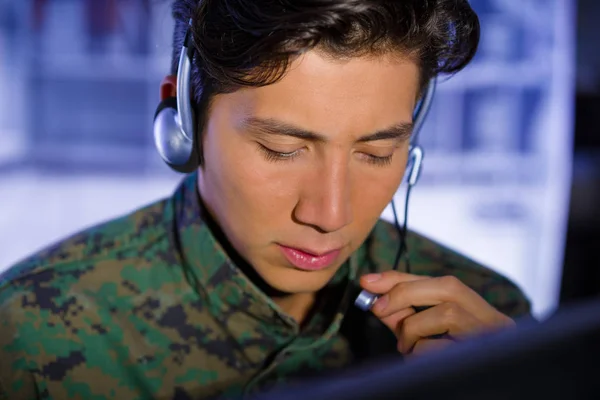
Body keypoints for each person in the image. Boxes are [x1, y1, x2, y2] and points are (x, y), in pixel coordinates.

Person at [0, 0, 531, 399]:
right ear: (185, 118)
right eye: (282, 150)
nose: (330, 216)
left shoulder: (485, 326)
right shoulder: (25, 339)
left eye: (375, 153)